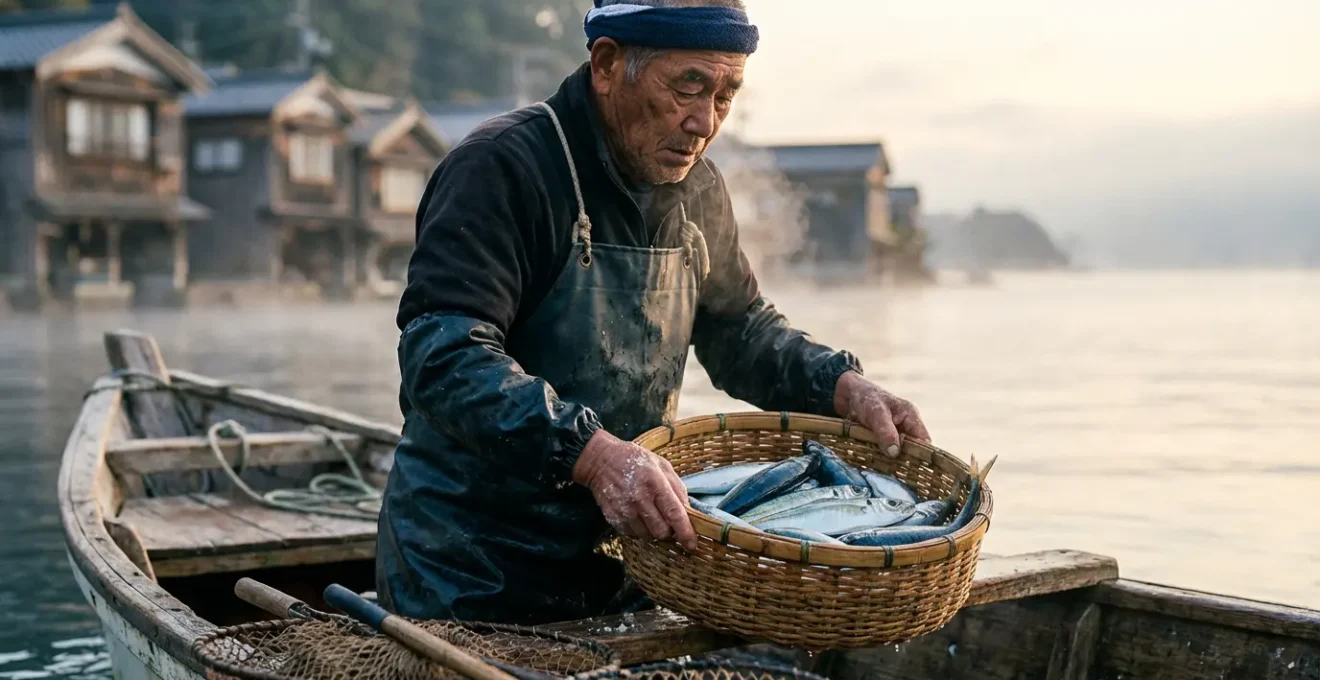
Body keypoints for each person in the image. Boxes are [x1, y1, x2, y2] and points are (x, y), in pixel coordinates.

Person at [376, 0, 931, 625]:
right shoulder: (502, 167)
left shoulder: (700, 188)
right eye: (688, 86)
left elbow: (739, 330)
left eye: (726, 95)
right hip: (468, 569)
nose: (704, 122)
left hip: (626, 556)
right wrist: (593, 455)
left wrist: (839, 384)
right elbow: (444, 355)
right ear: (607, 65)